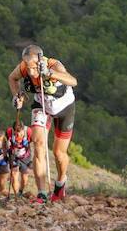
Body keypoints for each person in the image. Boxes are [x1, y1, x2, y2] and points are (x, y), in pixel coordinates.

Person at [8, 44, 78, 205]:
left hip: (64, 107)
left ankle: (60, 183)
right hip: (41, 105)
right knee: (38, 143)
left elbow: (73, 81)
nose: (31, 72)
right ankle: (42, 193)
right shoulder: (24, 67)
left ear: (40, 60)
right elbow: (12, 78)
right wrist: (17, 95)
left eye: (33, 67)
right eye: (27, 66)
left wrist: (49, 73)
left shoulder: (54, 64)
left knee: (59, 153)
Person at [5, 124, 32, 200]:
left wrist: (27, 143)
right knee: (14, 175)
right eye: (16, 132)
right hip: (13, 157)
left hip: (25, 157)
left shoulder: (28, 131)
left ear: (23, 130)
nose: (18, 134)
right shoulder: (9, 132)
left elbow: (33, 140)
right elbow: (6, 142)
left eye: (19, 132)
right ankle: (16, 196)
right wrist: (8, 147)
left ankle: (20, 191)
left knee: (25, 178)